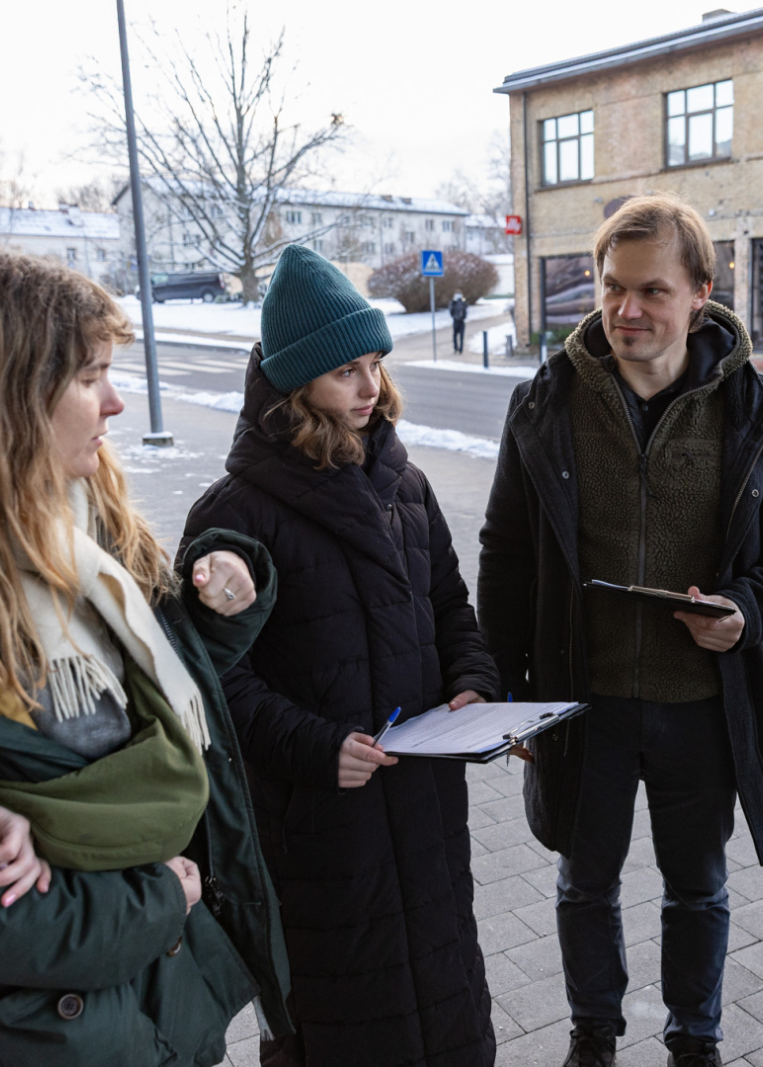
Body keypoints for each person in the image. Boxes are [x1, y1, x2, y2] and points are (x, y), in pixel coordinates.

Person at [0, 246, 292, 1066]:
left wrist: (228, 601)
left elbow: (151, 696)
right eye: (88, 376)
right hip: (55, 1026)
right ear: (4, 396)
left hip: (154, 1001)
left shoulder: (74, 519)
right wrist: (159, 900)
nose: (115, 400)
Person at [476, 195, 763, 1067]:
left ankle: (694, 1039)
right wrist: (507, 692)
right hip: (583, 700)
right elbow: (506, 553)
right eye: (611, 288)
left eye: (652, 291)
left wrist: (748, 610)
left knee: (697, 887)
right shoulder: (545, 406)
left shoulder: (755, 408)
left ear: (700, 292)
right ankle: (593, 1035)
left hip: (700, 706)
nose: (627, 310)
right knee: (583, 881)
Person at [183, 245, 499, 1067]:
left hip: (425, 811)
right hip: (321, 828)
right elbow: (214, 680)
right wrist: (317, 747)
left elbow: (449, 609)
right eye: (344, 372)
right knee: (342, 1026)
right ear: (296, 387)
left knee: (445, 1003)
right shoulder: (238, 511)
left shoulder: (406, 484)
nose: (369, 388)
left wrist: (473, 685)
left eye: (374, 365)